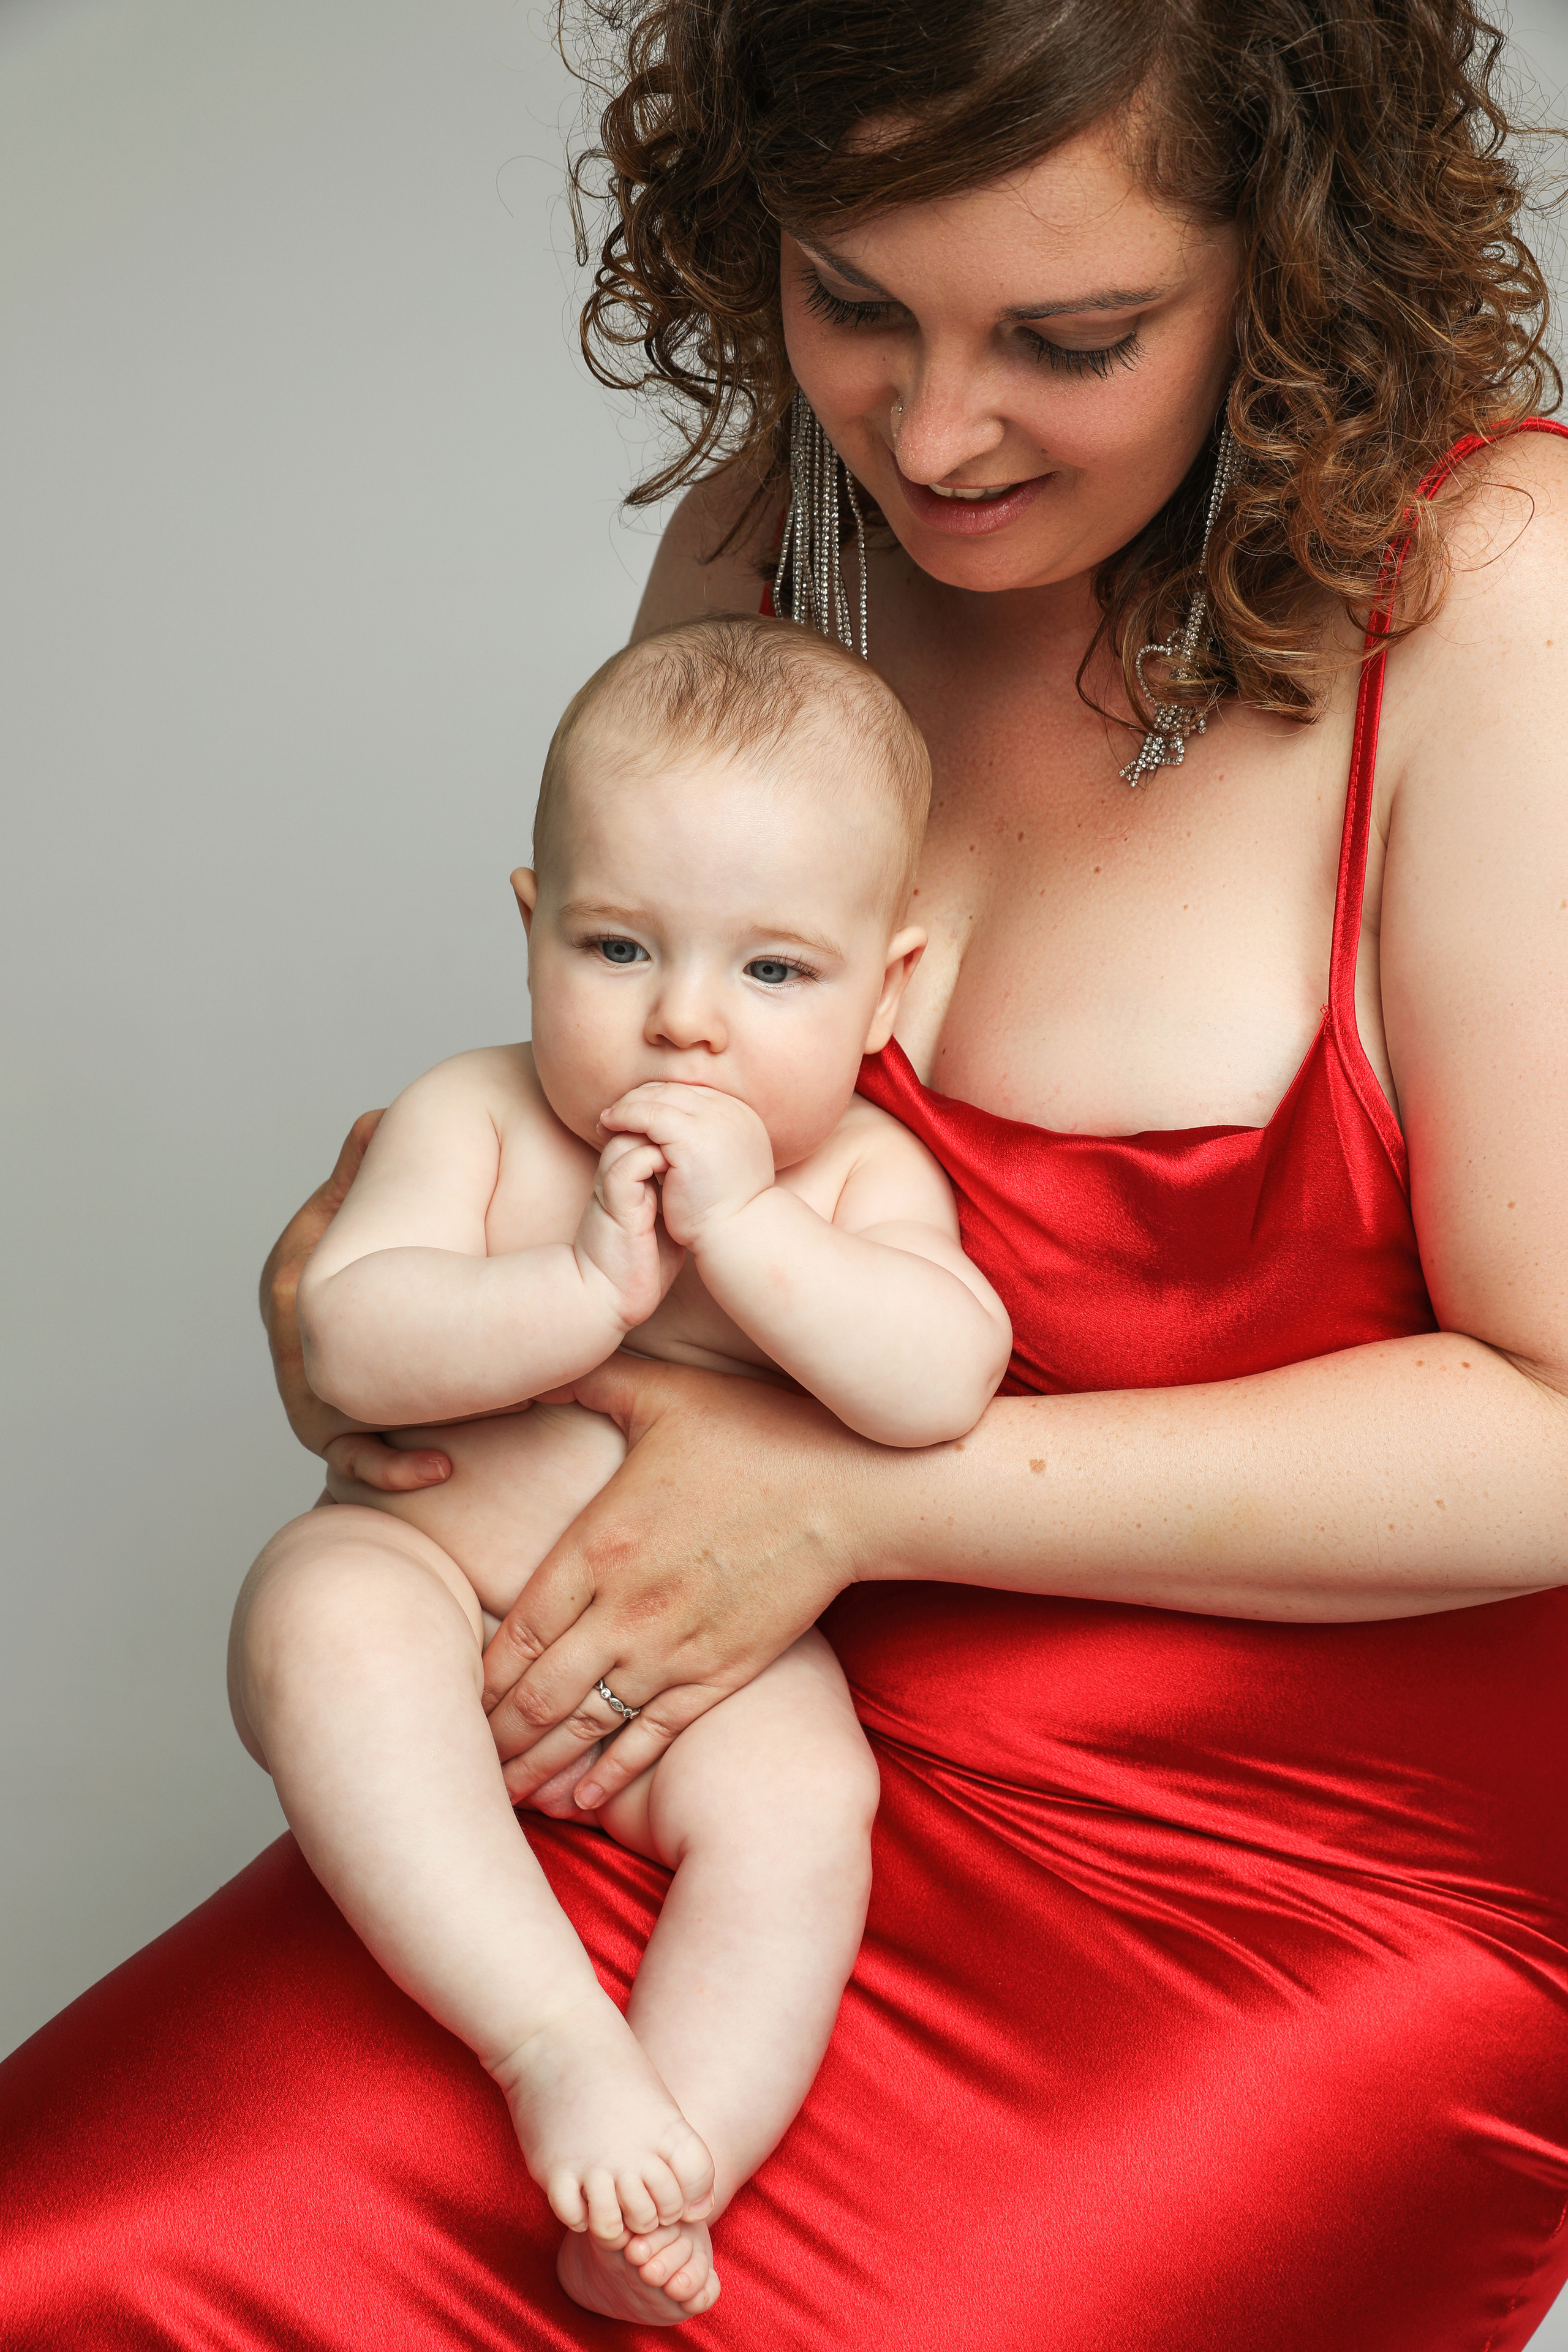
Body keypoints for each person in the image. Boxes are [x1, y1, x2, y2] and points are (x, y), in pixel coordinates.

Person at [3, 0, 1567, 2345]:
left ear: (1292, 257)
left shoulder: (1503, 592)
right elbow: (615, 1086)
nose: (937, 434)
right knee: (80, 2257)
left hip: (1296, 1893)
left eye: (1071, 335)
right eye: (855, 302)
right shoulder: (772, 549)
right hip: (715, 1754)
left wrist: (853, 1503)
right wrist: (367, 1294)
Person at [228, 614, 1010, 2326]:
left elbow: (942, 1379)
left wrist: (745, 1237)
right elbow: (350, 1341)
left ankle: (672, 2168)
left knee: (809, 1811)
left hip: (695, 1682)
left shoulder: (858, 1180)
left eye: (774, 973)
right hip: (440, 1591)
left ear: (891, 990)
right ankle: (551, 2040)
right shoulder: (481, 1117)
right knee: (316, 1615)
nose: (685, 1027)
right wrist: (577, 1291)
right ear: (531, 929)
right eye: (619, 948)